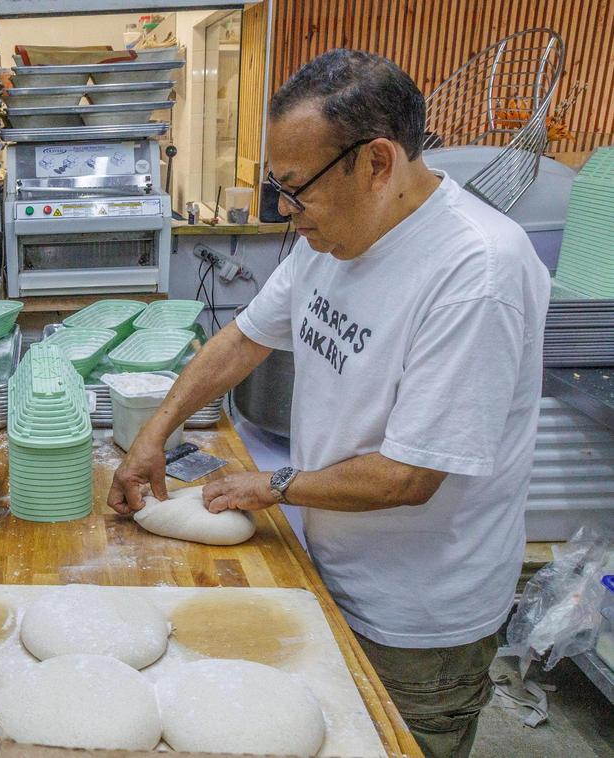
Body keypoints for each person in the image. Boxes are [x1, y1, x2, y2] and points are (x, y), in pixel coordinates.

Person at [109, 50, 549, 758]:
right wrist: (153, 432)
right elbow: (244, 337)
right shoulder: (333, 236)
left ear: (378, 163)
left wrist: (273, 483)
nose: (288, 210)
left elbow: (411, 476)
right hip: (331, 564)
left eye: (296, 188)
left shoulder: (477, 272)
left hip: (418, 619)